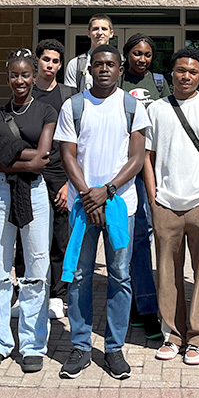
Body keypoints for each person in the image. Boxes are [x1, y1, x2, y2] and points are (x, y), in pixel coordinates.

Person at [54, 45, 149, 380]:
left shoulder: (132, 106)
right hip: (83, 206)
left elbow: (136, 159)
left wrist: (106, 191)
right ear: (89, 69)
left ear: (120, 69)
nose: (104, 69)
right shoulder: (74, 106)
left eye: (110, 64)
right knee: (79, 277)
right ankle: (80, 345)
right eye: (98, 65)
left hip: (121, 205)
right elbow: (67, 154)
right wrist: (87, 195)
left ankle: (114, 349)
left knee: (120, 277)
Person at [144, 47, 199, 365]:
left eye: (193, 71)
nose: (186, 76)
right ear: (172, 72)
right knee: (167, 274)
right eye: (181, 70)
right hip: (166, 204)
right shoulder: (156, 110)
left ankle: (197, 338)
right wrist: (154, 198)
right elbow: (147, 157)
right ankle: (172, 334)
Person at [0, 49, 56, 373]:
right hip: (1, 191)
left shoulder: (47, 111)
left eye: (26, 74)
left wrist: (7, 153)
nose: (20, 80)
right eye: (14, 75)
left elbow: (44, 159)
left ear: (34, 75)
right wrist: (20, 159)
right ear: (7, 77)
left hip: (35, 193)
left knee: (36, 269)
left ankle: (32, 343)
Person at [120, 33, 168, 339]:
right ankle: (137, 305)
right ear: (127, 56)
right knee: (131, 238)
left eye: (147, 54)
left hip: (152, 168)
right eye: (137, 53)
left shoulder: (160, 84)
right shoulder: (115, 83)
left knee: (149, 236)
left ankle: (151, 305)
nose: (142, 59)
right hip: (123, 169)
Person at [32, 38, 76, 320]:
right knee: (30, 239)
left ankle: (57, 295)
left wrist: (69, 183)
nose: (50, 65)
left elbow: (76, 142)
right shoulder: (26, 90)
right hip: (30, 176)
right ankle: (29, 289)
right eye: (46, 59)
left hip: (61, 177)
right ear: (38, 60)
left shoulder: (68, 95)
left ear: (61, 65)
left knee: (61, 238)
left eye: (55, 61)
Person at [63, 14, 114, 90]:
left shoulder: (121, 62)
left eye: (104, 29)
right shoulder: (75, 64)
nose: (100, 32)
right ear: (89, 33)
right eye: (95, 29)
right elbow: (70, 95)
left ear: (111, 33)